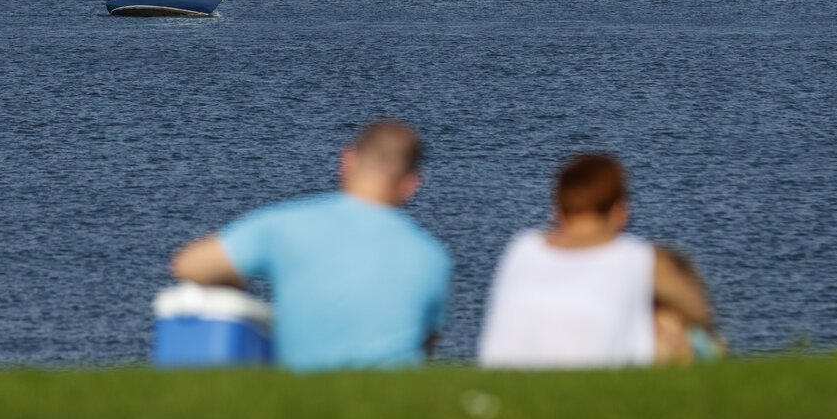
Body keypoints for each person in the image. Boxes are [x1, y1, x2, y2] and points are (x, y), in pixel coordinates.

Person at [170, 119, 452, 371]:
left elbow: (188, 265)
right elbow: (424, 349)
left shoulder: (283, 225)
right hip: (390, 414)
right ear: (411, 183)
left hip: (301, 406)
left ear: (348, 160)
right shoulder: (433, 258)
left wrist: (236, 284)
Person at [477, 152, 715, 368]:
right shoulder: (637, 257)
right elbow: (701, 313)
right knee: (672, 323)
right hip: (600, 390)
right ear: (619, 212)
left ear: (557, 212)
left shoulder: (522, 248)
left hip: (506, 392)